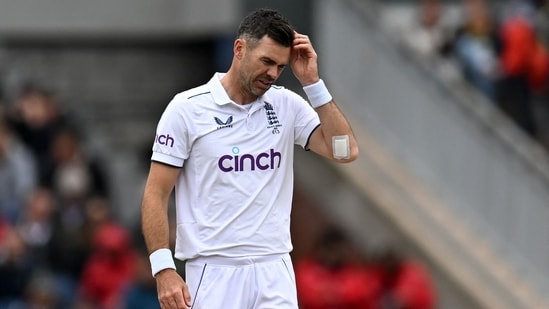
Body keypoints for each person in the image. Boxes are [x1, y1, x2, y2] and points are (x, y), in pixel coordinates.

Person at [140, 7, 359, 309]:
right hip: (213, 270)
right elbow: (156, 193)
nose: (272, 73)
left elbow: (344, 150)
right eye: (266, 61)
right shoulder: (187, 109)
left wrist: (313, 84)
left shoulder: (286, 105)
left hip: (274, 267)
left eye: (280, 67)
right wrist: (163, 269)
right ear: (240, 49)